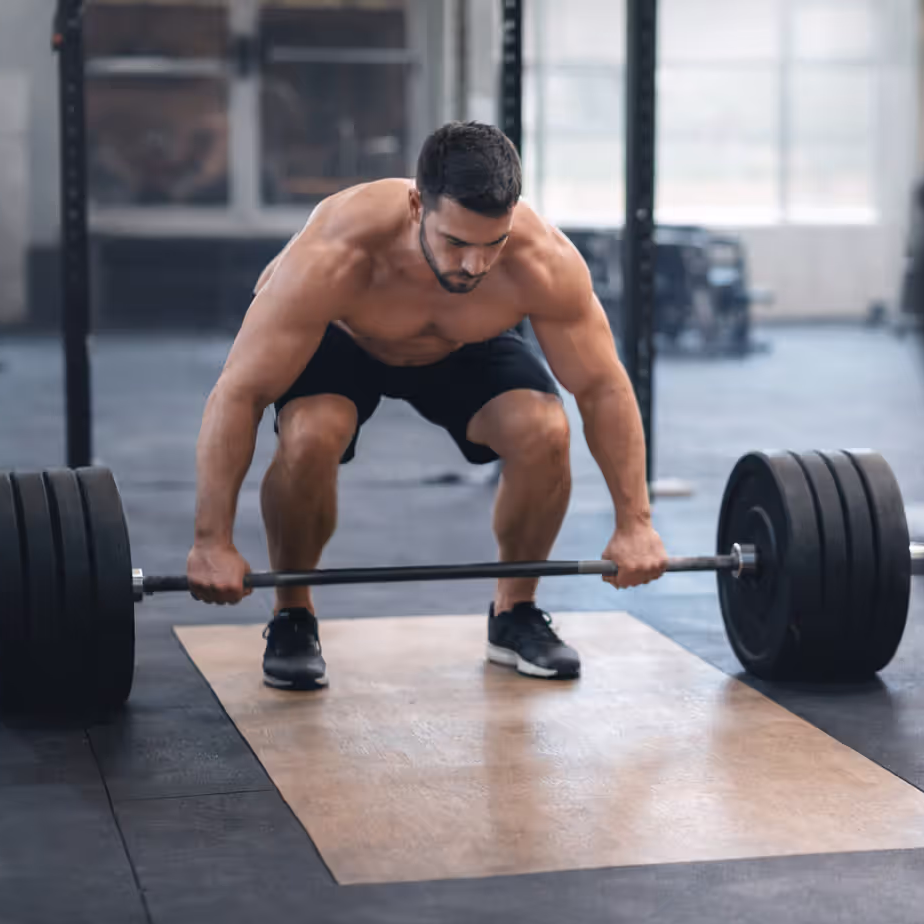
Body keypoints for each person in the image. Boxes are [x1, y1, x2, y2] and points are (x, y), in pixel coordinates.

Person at [185, 122, 669, 689]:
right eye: (456, 243)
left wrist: (635, 524)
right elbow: (239, 392)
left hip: (465, 345)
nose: (475, 266)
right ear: (418, 205)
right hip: (346, 340)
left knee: (544, 428)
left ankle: (514, 613)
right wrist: (211, 540)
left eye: (494, 243)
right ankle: (293, 612)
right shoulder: (336, 252)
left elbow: (603, 388)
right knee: (313, 432)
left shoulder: (543, 260)